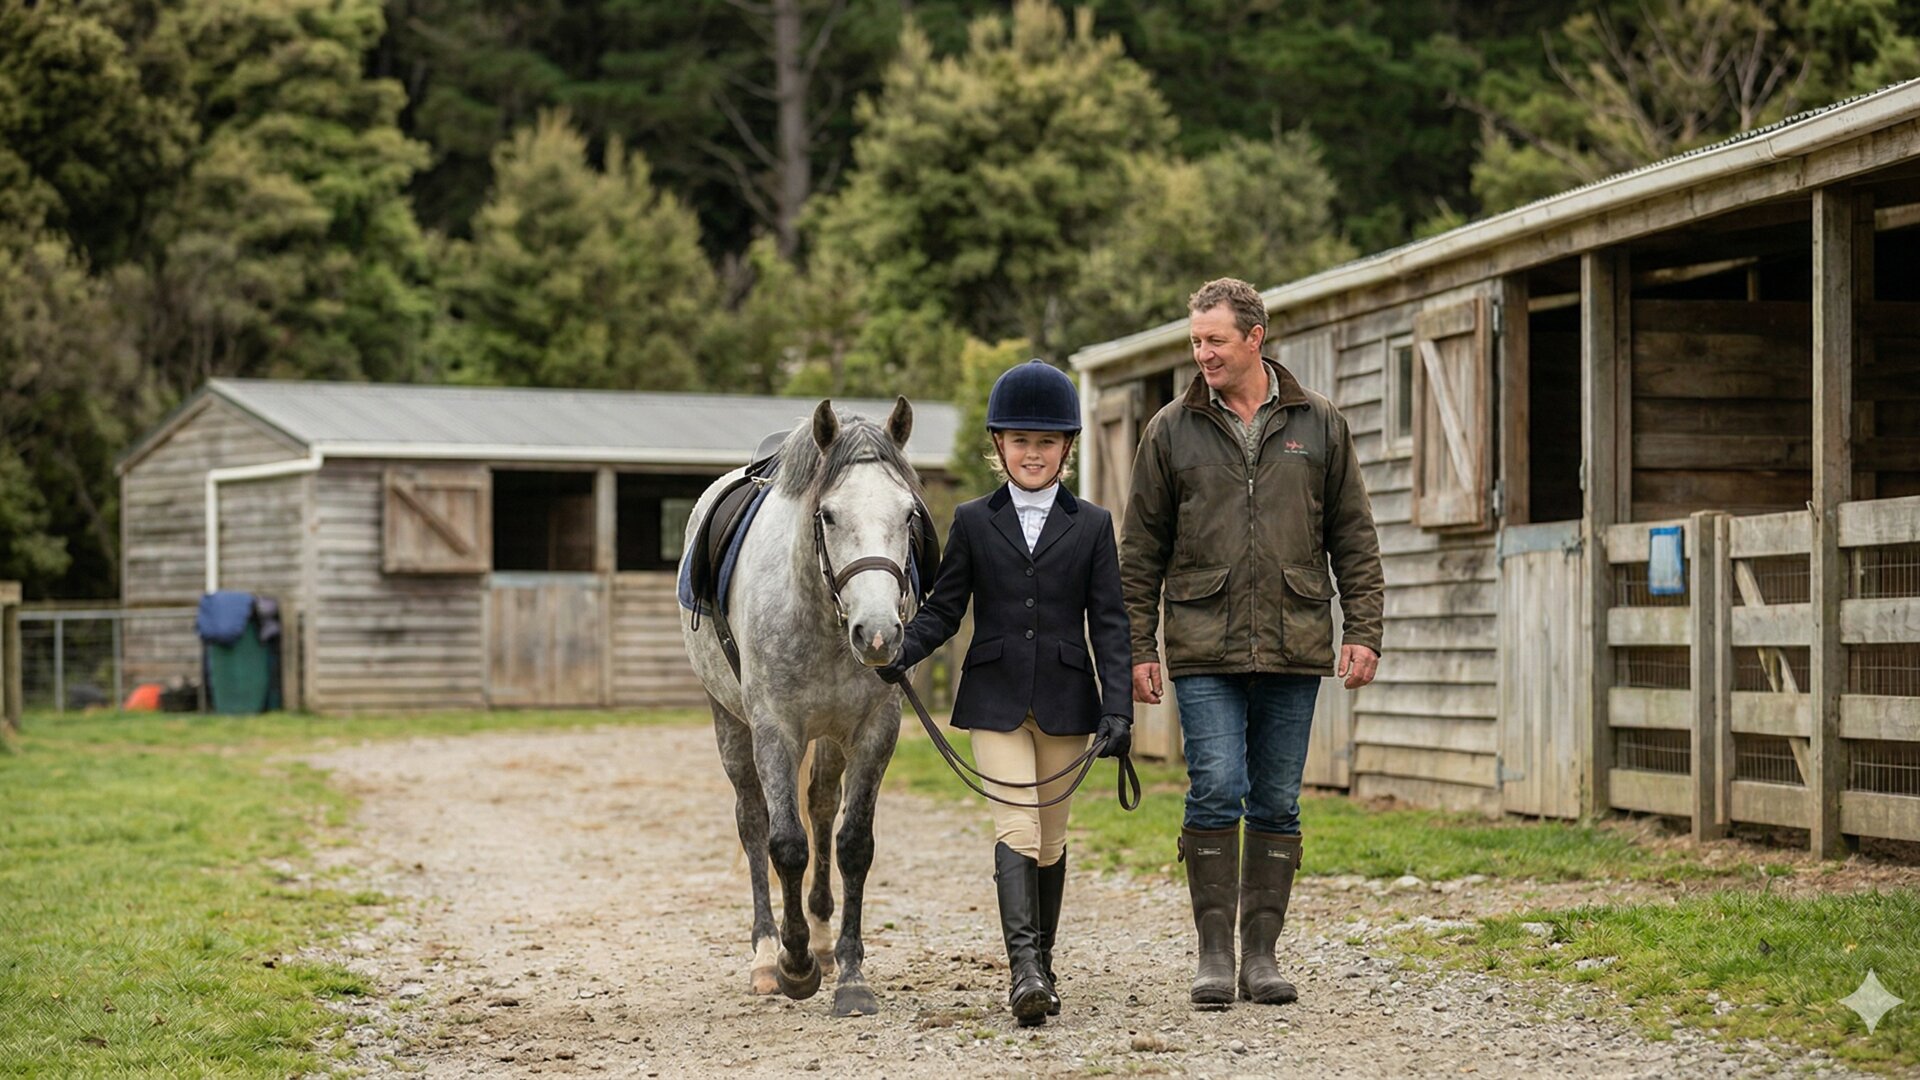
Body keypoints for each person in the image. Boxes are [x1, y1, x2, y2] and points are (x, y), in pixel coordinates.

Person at [1119, 277, 1384, 1009]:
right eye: (1195, 341)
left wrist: (1364, 629)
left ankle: (1261, 958)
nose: (1202, 353)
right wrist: (1139, 646)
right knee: (1216, 786)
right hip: (1203, 643)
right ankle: (1214, 955)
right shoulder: (1169, 429)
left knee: (1276, 799)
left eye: (1215, 340)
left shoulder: (1318, 423)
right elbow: (1139, 551)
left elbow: (1354, 536)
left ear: (1255, 338)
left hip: (1294, 640)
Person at [879, 358, 1132, 1027]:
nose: (1033, 453)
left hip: (1067, 702)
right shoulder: (972, 520)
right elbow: (944, 609)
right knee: (1017, 826)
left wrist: (1118, 709)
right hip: (994, 699)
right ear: (999, 444)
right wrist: (901, 649)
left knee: (1051, 841)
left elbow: (1110, 622)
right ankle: (1024, 973)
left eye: (1046, 442)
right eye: (1021, 441)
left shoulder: (1093, 525)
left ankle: (1042, 964)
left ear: (1066, 448)